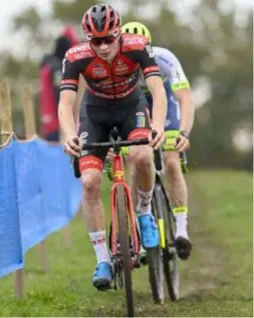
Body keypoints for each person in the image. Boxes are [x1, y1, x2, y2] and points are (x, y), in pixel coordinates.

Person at [59, 4, 167, 291]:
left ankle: (144, 212)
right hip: (95, 113)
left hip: (132, 106)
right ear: (87, 39)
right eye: (96, 41)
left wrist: (157, 124)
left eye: (109, 38)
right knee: (90, 181)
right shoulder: (75, 57)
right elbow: (66, 103)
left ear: (119, 33)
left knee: (142, 155)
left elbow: (156, 88)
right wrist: (69, 134)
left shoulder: (137, 46)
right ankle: (102, 259)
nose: (104, 46)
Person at [121, 21, 195, 260]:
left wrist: (183, 133)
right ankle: (136, 229)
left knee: (171, 161)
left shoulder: (164, 59)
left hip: (165, 106)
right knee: (135, 160)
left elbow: (184, 98)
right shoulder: (118, 65)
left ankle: (182, 230)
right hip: (135, 109)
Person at [39, 26, 79, 141]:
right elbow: (60, 94)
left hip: (48, 118)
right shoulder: (58, 68)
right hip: (56, 121)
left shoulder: (47, 65)